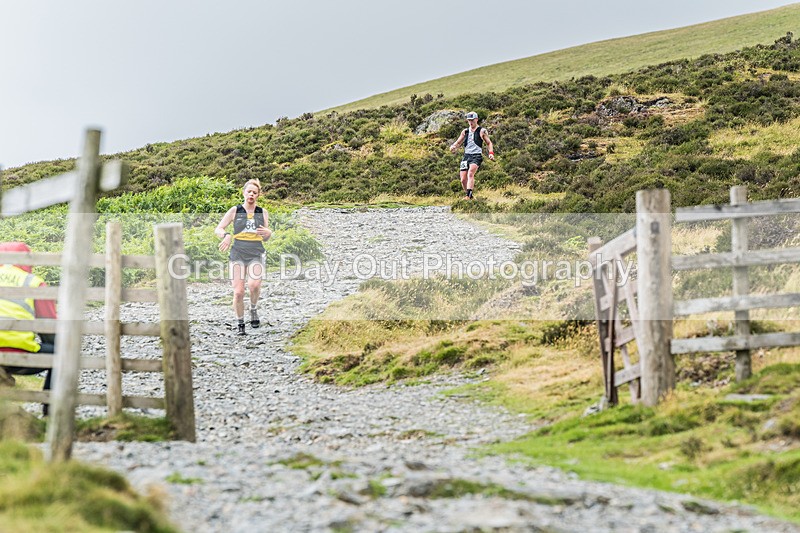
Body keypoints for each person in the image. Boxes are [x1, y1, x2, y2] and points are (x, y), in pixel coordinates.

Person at [0, 242, 57, 414]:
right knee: (61, 355)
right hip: (20, 353)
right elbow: (50, 329)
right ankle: (50, 412)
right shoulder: (33, 283)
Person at [215, 179, 272, 336]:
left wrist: (269, 233)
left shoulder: (262, 212)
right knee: (238, 291)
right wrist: (226, 235)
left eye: (254, 192)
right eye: (249, 192)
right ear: (244, 193)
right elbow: (218, 228)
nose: (251, 195)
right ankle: (240, 322)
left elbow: (265, 236)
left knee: (253, 285)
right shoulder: (235, 210)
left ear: (258, 195)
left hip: (256, 251)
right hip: (238, 251)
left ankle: (253, 309)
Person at [449, 111, 495, 200]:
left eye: (472, 120)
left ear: (476, 120)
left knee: (470, 173)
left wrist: (491, 153)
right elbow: (458, 142)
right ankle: (471, 197)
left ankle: (468, 196)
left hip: (476, 156)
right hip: (466, 156)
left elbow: (489, 143)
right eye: (469, 120)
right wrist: (453, 146)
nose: (471, 122)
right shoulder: (465, 131)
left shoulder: (482, 131)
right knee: (462, 179)